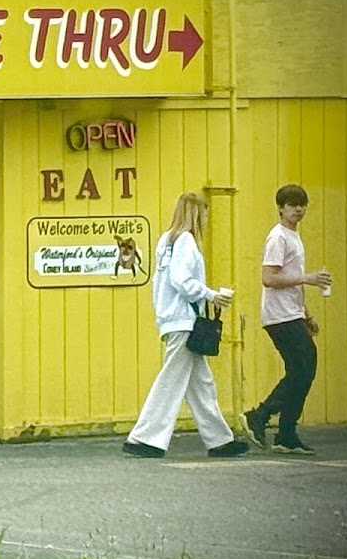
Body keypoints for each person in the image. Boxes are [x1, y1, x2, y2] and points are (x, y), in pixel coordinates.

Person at [123, 192, 247, 459]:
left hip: (171, 320)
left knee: (202, 384)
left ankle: (220, 440)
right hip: (185, 321)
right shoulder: (187, 241)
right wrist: (212, 295)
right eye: (204, 214)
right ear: (196, 214)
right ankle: (143, 438)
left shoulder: (165, 241)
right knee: (170, 380)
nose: (206, 220)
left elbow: (163, 282)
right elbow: (182, 281)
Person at [244, 184, 332, 455]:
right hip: (278, 316)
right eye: (293, 205)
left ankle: (285, 434)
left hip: (291, 313)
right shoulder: (278, 238)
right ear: (280, 208)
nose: (299, 209)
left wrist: (306, 314)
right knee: (303, 368)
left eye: (302, 204)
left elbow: (291, 281)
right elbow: (269, 278)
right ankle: (260, 416)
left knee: (302, 369)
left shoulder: (294, 237)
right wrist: (308, 278)